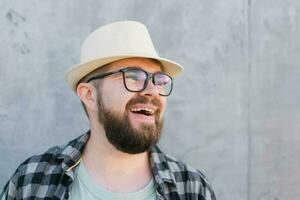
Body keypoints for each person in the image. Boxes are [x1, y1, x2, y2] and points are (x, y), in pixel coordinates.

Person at [1, 21, 216, 200]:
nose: (153, 91)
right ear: (89, 95)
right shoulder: (31, 182)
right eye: (133, 76)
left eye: (159, 80)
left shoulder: (192, 188)